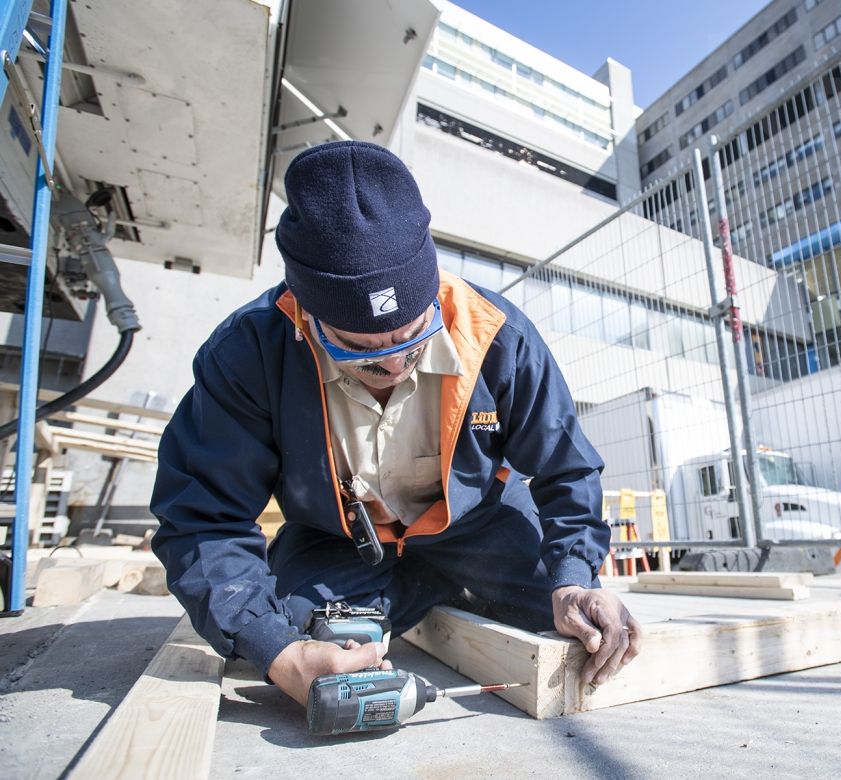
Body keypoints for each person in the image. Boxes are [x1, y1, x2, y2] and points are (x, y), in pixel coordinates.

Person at [151, 140, 641, 706]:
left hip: (482, 527)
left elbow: (566, 466)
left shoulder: (496, 334)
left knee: (568, 618)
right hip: (339, 540)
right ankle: (412, 588)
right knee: (295, 637)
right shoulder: (248, 352)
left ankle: (436, 583)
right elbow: (202, 515)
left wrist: (575, 576)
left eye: (412, 338)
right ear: (305, 312)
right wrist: (279, 653)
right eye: (360, 350)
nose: (392, 364)